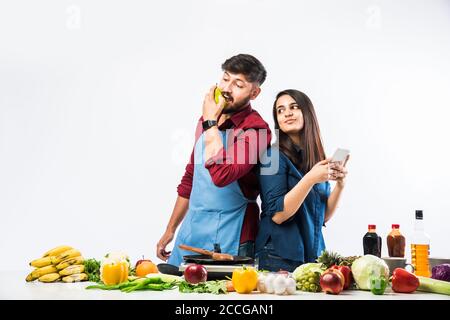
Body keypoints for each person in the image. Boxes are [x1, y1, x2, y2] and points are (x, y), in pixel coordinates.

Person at [156, 54, 272, 267]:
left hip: (231, 234)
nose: (227, 88)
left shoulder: (256, 129)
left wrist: (211, 123)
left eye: (238, 84)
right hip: (192, 230)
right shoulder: (205, 121)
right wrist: (171, 228)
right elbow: (191, 179)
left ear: (254, 93)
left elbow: (223, 175)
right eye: (225, 78)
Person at [255, 89, 349, 272]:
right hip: (278, 256)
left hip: (313, 255)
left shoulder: (314, 158)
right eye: (280, 110)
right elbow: (278, 215)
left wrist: (340, 184)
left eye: (294, 107)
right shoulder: (271, 156)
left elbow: (323, 216)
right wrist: (311, 179)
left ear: (307, 112)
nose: (287, 113)